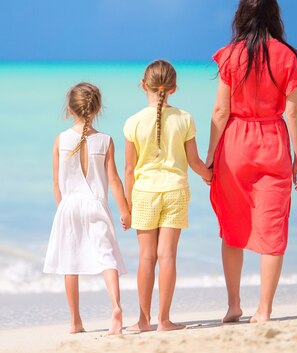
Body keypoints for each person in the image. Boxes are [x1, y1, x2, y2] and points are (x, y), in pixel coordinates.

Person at [206, 0, 297, 323]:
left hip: (235, 144)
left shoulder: (230, 54)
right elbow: (292, 111)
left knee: (232, 227)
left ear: (242, 14)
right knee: (273, 228)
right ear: (273, 15)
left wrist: (210, 156)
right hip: (273, 143)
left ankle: (234, 305)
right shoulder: (287, 56)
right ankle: (264, 310)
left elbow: (220, 111)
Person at [124, 60, 212, 332]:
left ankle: (142, 321)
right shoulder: (185, 118)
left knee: (146, 258)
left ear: (143, 85)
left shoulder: (133, 122)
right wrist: (209, 176)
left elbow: (129, 169)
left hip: (144, 193)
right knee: (168, 257)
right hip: (175, 191)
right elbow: (195, 161)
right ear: (173, 88)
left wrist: (127, 206)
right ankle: (164, 320)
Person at [43, 82, 130, 335]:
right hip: (96, 206)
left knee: (70, 265)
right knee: (108, 258)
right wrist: (124, 210)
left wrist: (62, 209)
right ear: (97, 108)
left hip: (69, 207)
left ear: (70, 109)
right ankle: (115, 306)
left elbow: (56, 182)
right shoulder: (106, 141)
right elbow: (114, 180)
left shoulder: (61, 140)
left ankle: (75, 321)